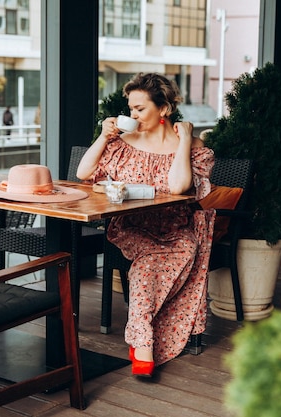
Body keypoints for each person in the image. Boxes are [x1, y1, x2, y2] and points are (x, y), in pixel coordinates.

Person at [76, 73, 215, 377]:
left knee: (185, 247)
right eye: (131, 109)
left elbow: (179, 186)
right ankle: (143, 344)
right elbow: (83, 173)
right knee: (149, 261)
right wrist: (103, 136)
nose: (132, 115)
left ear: (164, 109)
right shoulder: (124, 142)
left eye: (140, 109)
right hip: (132, 225)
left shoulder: (188, 145)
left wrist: (184, 141)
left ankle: (142, 332)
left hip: (175, 227)